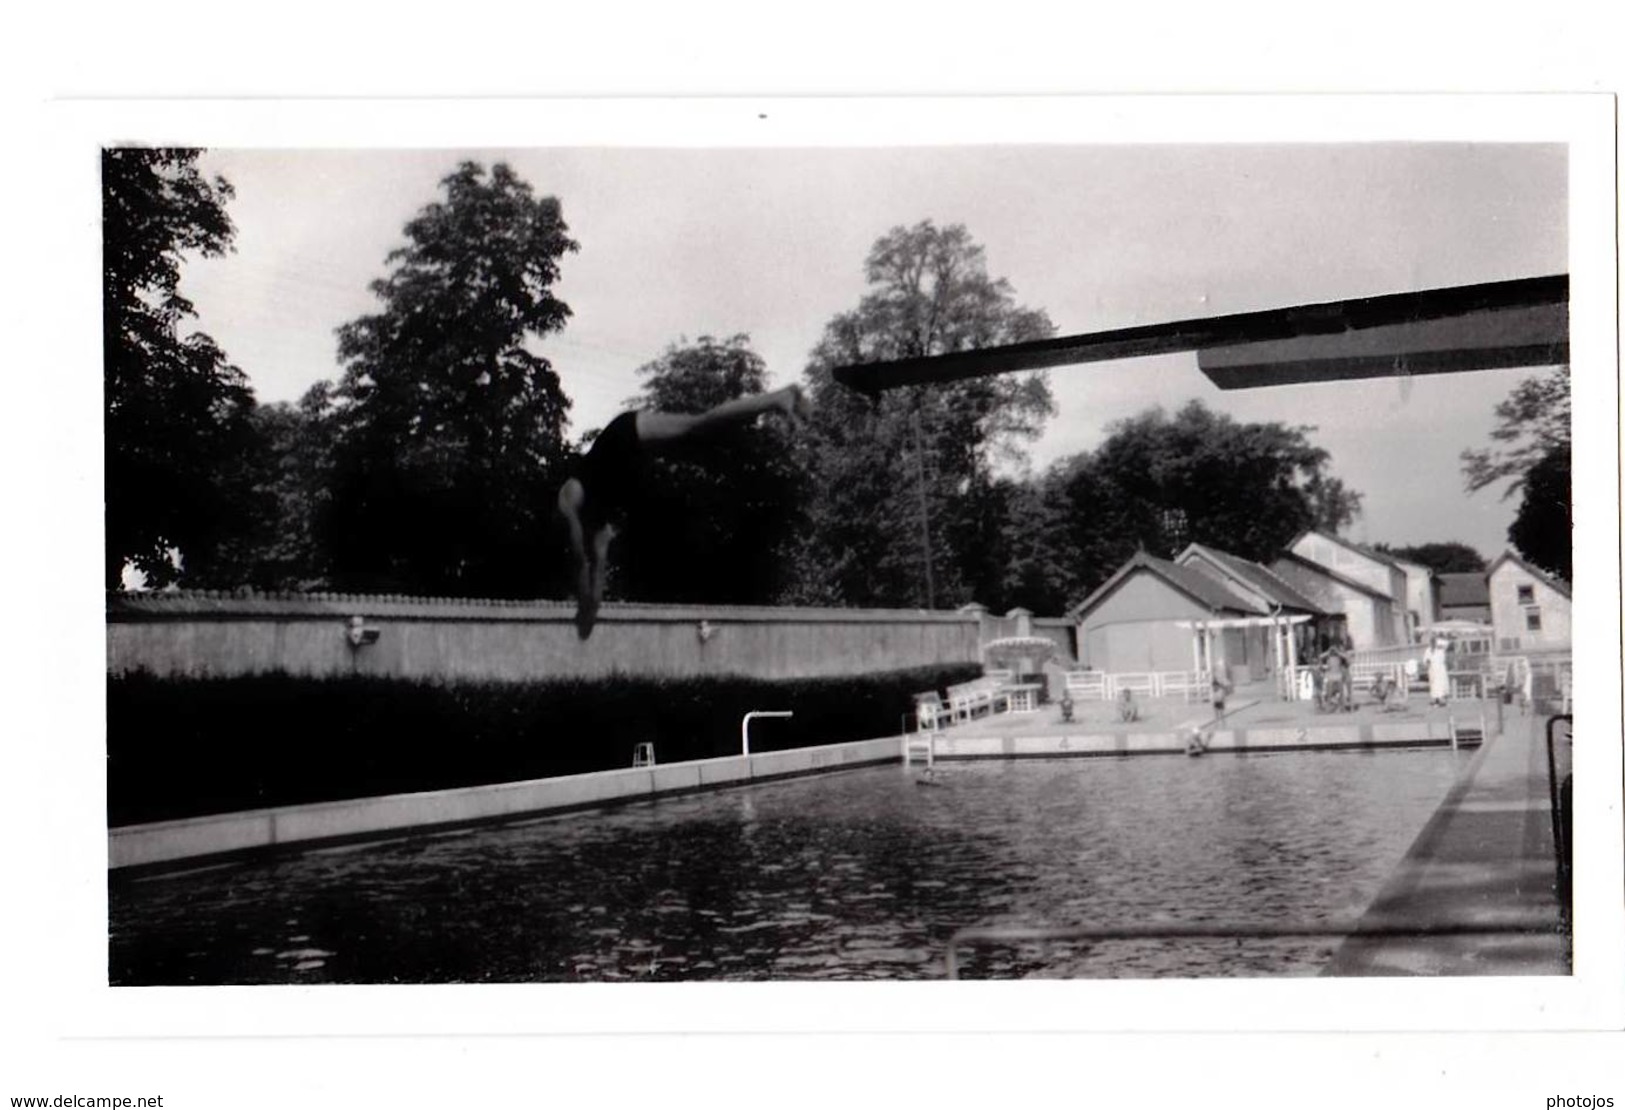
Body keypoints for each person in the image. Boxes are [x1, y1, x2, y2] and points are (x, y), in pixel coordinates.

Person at [556, 384, 812, 639]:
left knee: (699, 424)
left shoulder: (568, 501)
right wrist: (589, 612)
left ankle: (779, 399)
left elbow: (581, 561)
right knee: (704, 432)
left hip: (624, 435)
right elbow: (594, 567)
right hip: (630, 458)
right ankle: (777, 403)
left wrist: (585, 607)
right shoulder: (597, 522)